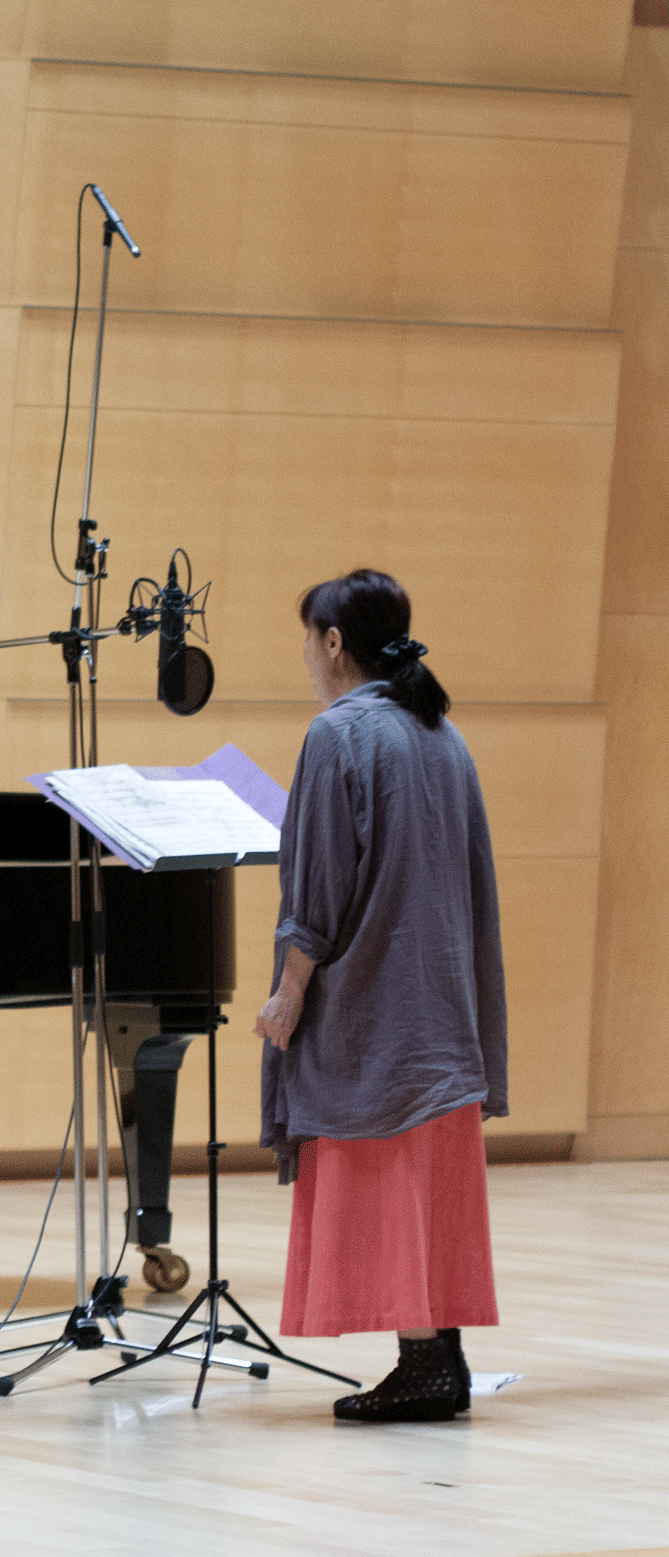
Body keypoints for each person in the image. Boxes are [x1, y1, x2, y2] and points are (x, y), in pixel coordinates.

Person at [254, 570, 507, 1423]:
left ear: (333, 642)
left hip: (376, 1007)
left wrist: (288, 996)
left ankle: (427, 1363)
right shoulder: (444, 733)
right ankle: (438, 1357)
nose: (304, 654)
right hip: (444, 1009)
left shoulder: (340, 734)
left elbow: (316, 890)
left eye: (308, 637)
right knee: (427, 1185)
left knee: (385, 1178)